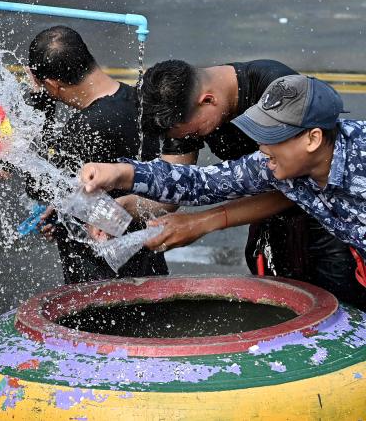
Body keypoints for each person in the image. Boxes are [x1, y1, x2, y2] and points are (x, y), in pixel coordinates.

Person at [81, 75, 366, 305]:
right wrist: (122, 173)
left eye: (271, 137)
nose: (261, 148)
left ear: (313, 138)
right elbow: (202, 183)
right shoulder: (275, 164)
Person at [25, 25, 168, 283]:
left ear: (53, 85)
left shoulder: (85, 127)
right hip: (149, 261)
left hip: (102, 275)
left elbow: (38, 183)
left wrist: (40, 105)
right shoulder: (137, 100)